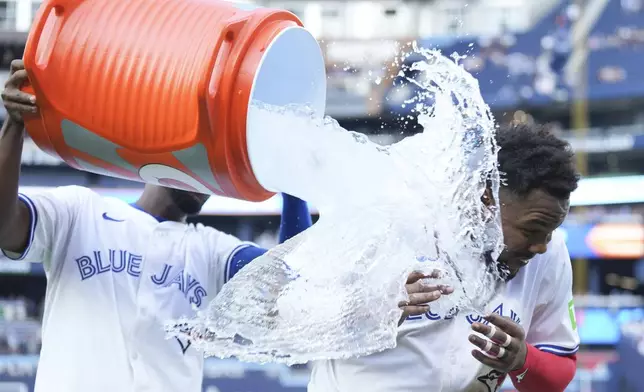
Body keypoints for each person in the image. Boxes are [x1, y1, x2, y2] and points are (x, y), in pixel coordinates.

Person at [0, 60, 446, 392]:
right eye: (199, 155)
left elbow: (296, 284)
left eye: (215, 164)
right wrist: (14, 127)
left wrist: (290, 180)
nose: (208, 174)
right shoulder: (81, 212)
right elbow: (5, 225)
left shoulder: (213, 251)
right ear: (163, 150)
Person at [309, 122, 581, 392]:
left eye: (551, 231)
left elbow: (559, 368)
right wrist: (376, 308)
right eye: (531, 230)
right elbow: (297, 318)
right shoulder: (390, 219)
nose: (541, 246)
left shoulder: (549, 252)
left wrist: (522, 360)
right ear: (488, 200)